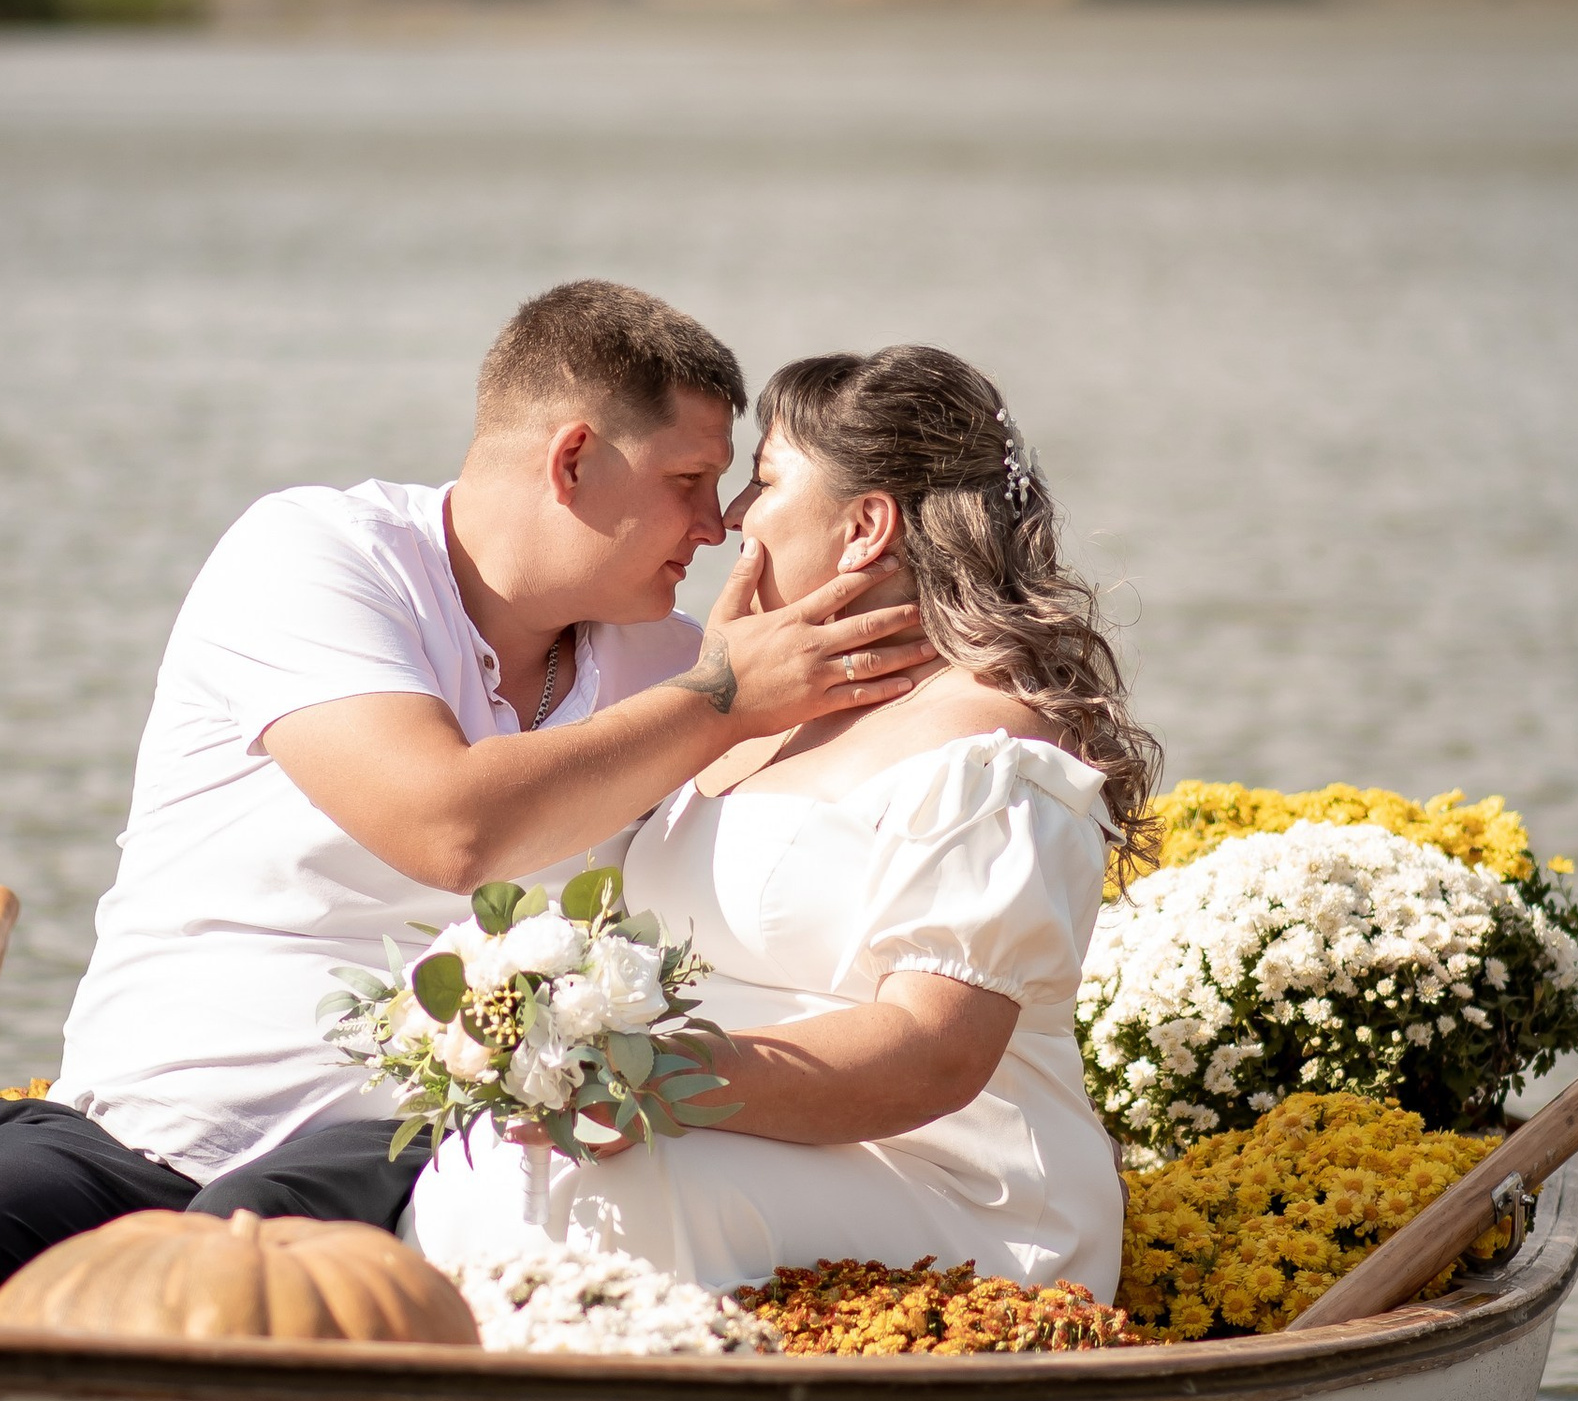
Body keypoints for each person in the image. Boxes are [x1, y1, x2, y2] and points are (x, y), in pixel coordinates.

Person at [0, 282, 933, 1314]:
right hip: (133, 1135)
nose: (717, 524)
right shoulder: (315, 557)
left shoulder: (684, 667)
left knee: (242, 1264)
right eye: (689, 481)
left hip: (431, 1156)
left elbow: (904, 752)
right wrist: (723, 698)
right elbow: (447, 826)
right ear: (573, 459)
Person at [410, 344, 1162, 1302]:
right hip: (736, 1138)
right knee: (490, 1165)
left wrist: (649, 1079)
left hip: (954, 1185)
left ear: (865, 527)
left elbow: (936, 1052)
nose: (729, 518)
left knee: (598, 1198)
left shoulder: (987, 737)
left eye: (762, 482)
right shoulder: (748, 713)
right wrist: (716, 690)